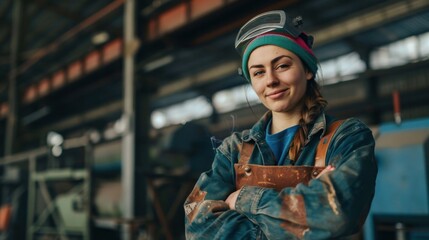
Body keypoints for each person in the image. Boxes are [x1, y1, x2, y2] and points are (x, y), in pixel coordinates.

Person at [184, 10, 377, 239]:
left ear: (307, 69)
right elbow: (198, 225)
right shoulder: (233, 150)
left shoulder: (346, 138)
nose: (271, 80)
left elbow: (337, 214)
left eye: (282, 66)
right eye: (258, 72)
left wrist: (245, 199)